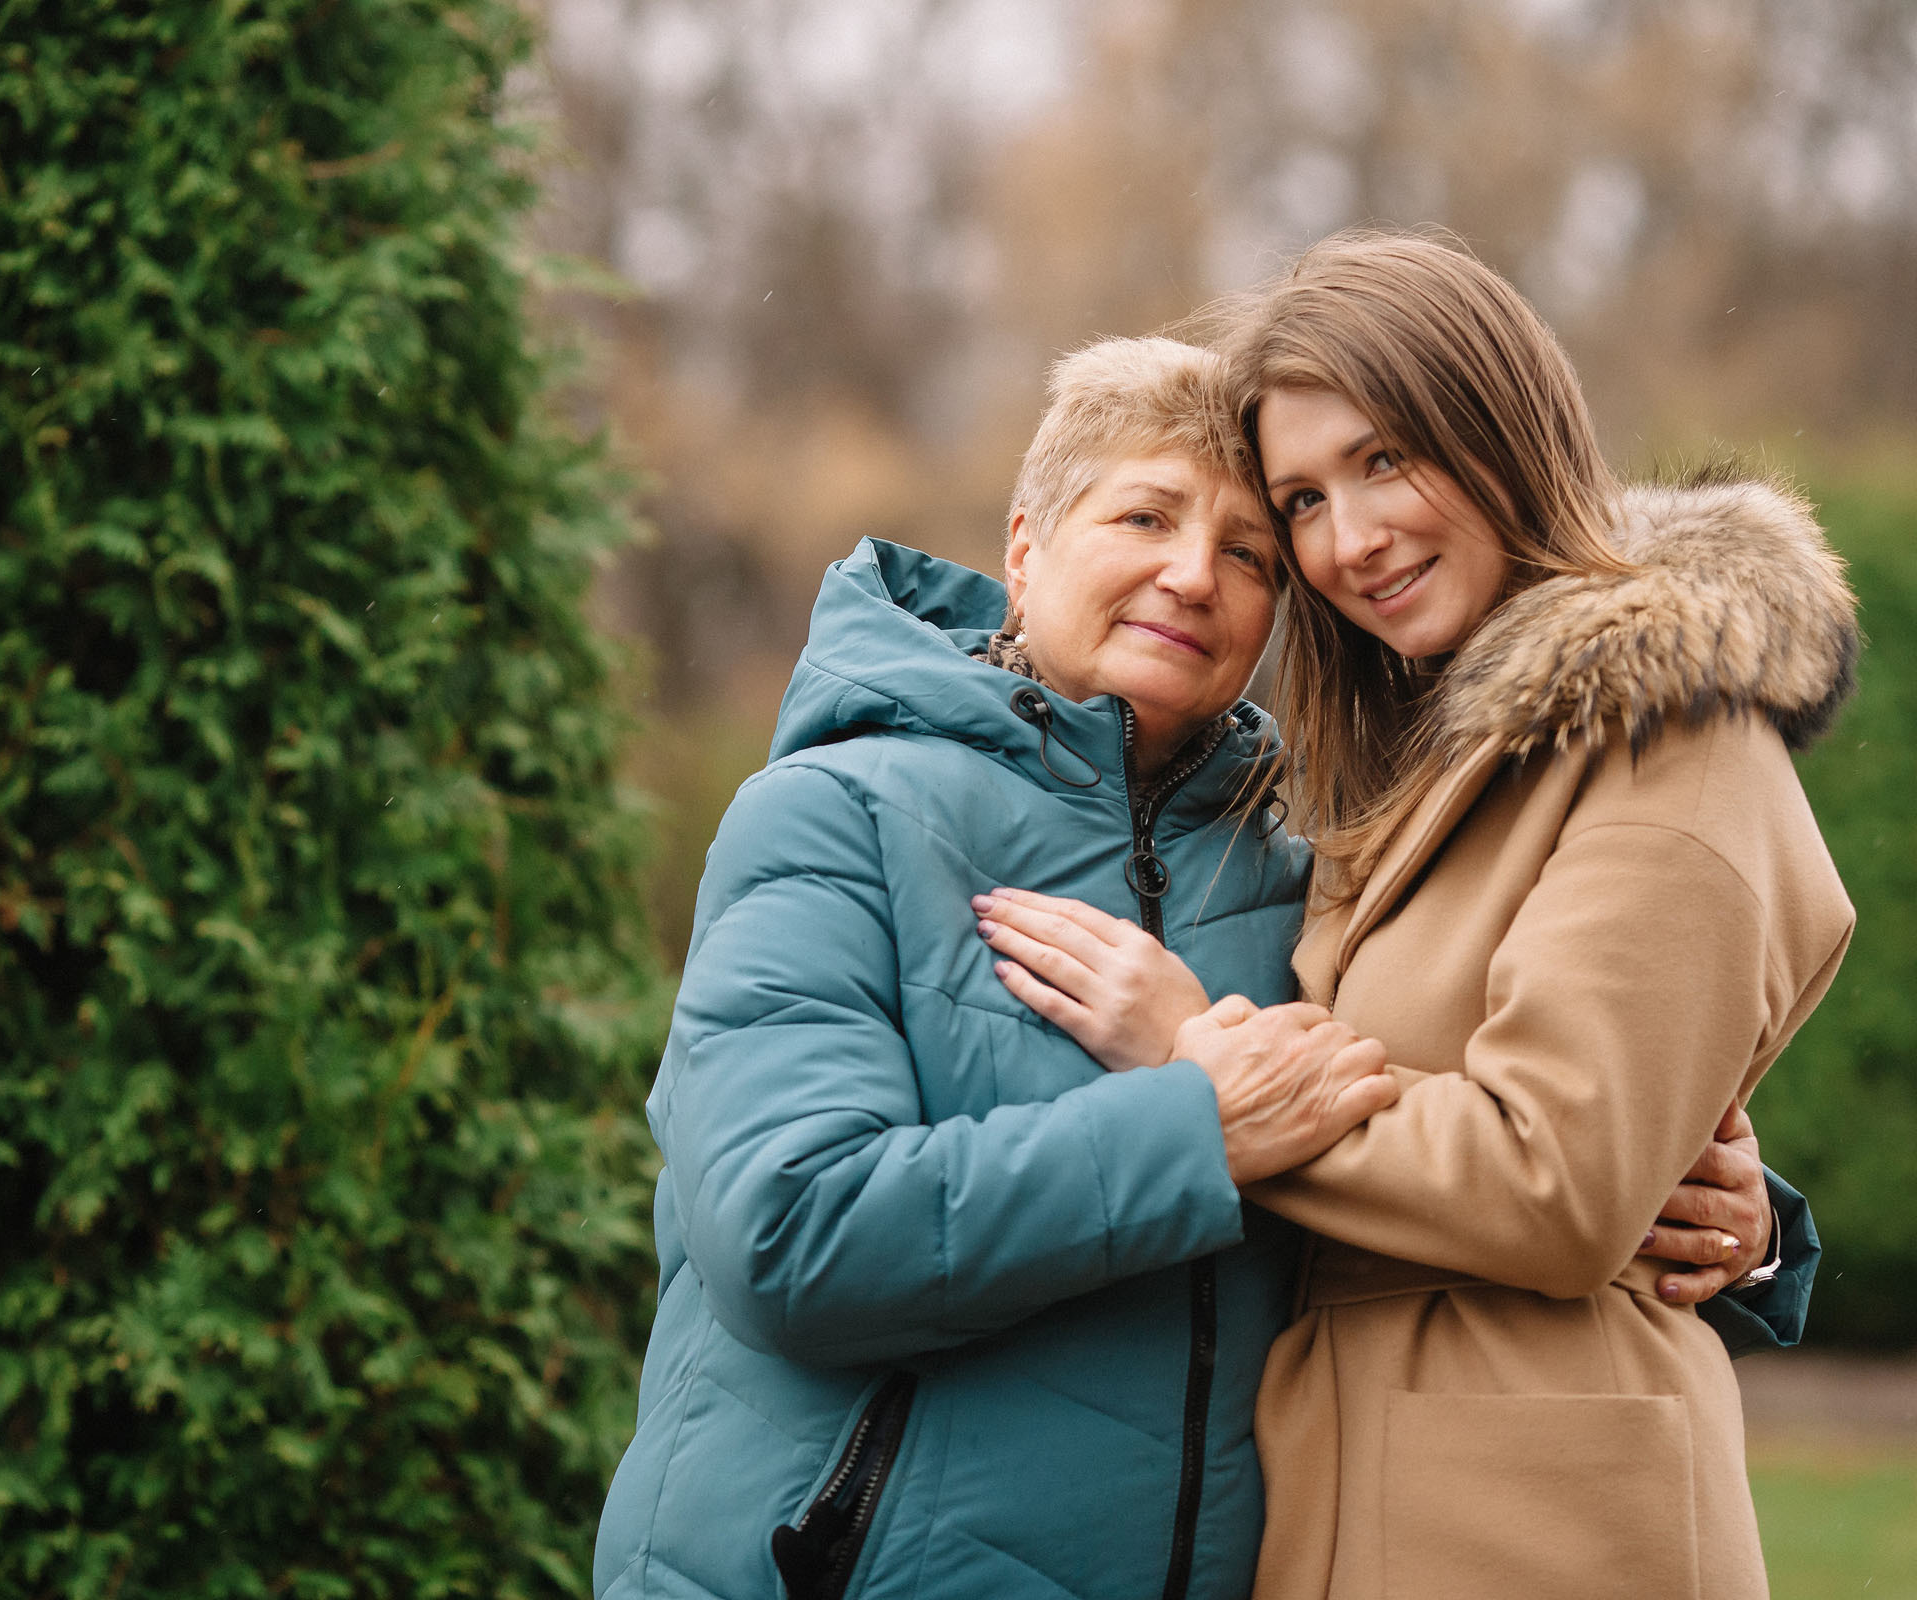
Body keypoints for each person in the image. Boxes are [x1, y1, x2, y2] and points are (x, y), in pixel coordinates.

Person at [594, 336, 1807, 1600]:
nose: (1192, 575)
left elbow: (1419, 1135)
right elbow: (792, 1234)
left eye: (1248, 553)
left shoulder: (1305, 872)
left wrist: (1740, 1218)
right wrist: (1194, 1131)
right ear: (1025, 546)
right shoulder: (835, 813)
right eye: (1145, 515)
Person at [975, 233, 1853, 1600]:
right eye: (1306, 499)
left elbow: (1557, 1184)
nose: (1350, 540)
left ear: (1501, 423)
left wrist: (1196, 1065)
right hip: (1344, 1478)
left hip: (1541, 1517)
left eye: (1386, 459)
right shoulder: (1398, 766)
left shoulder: (1672, 735)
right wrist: (1742, 1209)